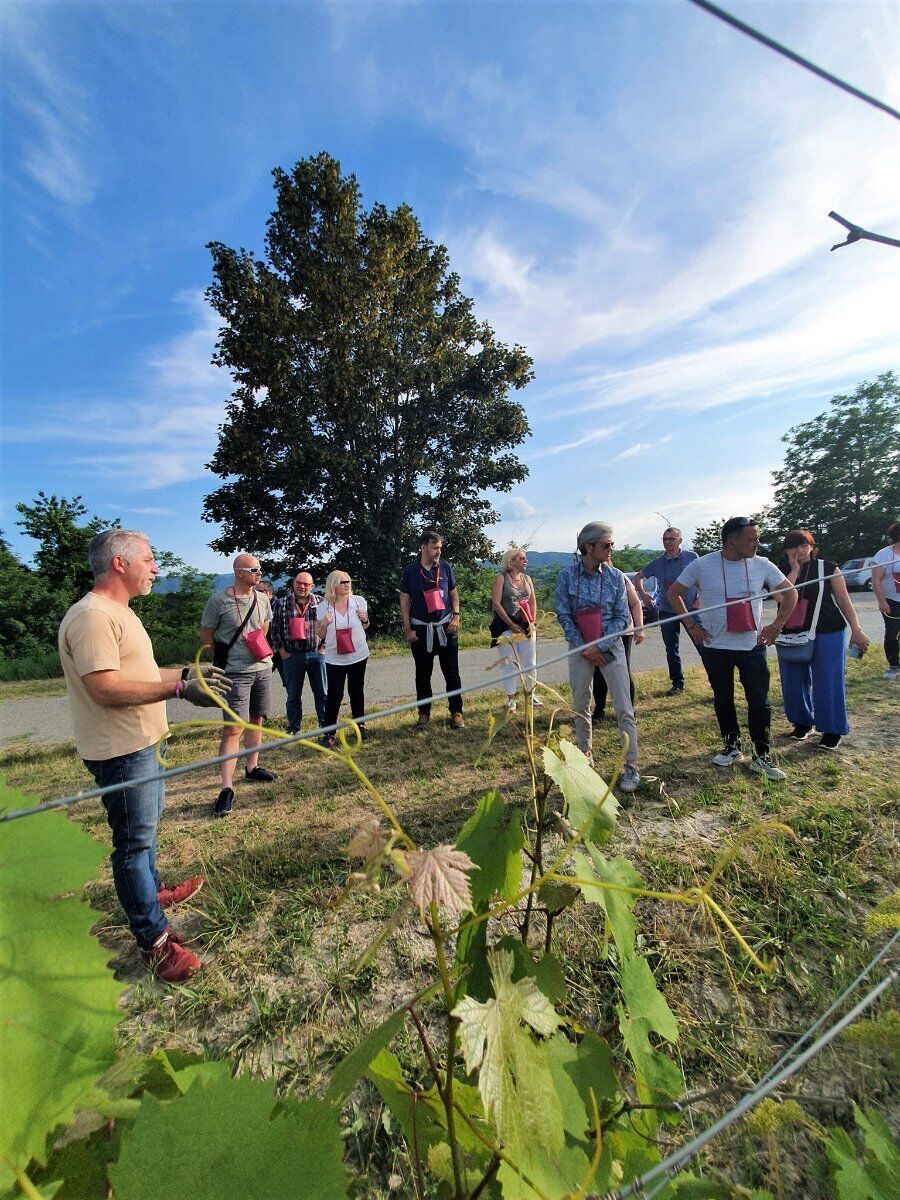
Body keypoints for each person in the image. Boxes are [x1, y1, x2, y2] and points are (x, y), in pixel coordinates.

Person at [58, 529, 231, 982]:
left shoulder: (120, 613)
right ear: (120, 563)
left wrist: (191, 673)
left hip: (141, 742)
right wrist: (179, 690)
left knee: (145, 834)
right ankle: (154, 941)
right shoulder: (93, 616)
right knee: (133, 846)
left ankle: (152, 893)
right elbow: (105, 687)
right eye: (150, 560)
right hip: (121, 750)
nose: (156, 568)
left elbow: (140, 672)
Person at [668, 517, 797, 781]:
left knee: (759, 701)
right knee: (723, 699)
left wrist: (776, 625)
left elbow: (791, 593)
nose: (756, 543)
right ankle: (732, 747)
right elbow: (674, 594)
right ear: (732, 540)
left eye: (757, 538)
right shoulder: (702, 565)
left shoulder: (763, 565)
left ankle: (761, 756)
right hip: (716, 647)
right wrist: (691, 625)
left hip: (753, 646)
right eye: (751, 539)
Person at [554, 522, 641, 794]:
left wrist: (601, 646)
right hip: (580, 649)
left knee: (624, 707)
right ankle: (584, 758)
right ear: (588, 547)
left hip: (610, 649)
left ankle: (632, 764)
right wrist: (585, 647)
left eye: (611, 544)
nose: (611, 549)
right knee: (581, 705)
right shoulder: (567, 575)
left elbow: (620, 616)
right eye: (606, 545)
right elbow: (564, 614)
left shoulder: (615, 576)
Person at [776, 530, 870, 750]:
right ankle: (802, 723)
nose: (799, 550)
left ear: (812, 546)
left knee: (828, 680)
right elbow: (780, 597)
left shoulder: (828, 568)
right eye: (793, 546)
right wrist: (795, 570)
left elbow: (844, 601)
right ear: (785, 550)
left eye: (803, 545)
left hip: (829, 630)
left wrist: (856, 629)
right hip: (792, 631)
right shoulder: (780, 571)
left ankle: (832, 728)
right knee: (793, 680)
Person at [200, 553, 277, 819]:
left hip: (262, 668)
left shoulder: (263, 599)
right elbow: (206, 634)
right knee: (233, 728)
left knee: (257, 719)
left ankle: (252, 767)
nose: (259, 573)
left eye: (260, 569)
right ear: (239, 572)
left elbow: (264, 627)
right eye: (254, 569)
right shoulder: (218, 601)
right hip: (234, 673)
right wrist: (222, 655)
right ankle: (226, 788)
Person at [399, 530, 464, 730]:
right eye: (435, 547)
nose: (438, 551)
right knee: (423, 674)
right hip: (421, 630)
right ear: (424, 547)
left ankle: (456, 712)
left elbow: (454, 595)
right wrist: (408, 629)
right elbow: (404, 601)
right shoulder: (410, 571)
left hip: (446, 627)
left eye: (440, 547)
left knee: (452, 672)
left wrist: (456, 616)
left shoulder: (445, 567)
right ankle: (424, 714)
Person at [635, 528, 701, 695]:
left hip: (690, 609)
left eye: (672, 539)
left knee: (702, 644)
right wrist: (644, 595)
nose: (668, 542)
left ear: (680, 540)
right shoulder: (657, 562)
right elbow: (638, 577)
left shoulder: (691, 557)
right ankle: (677, 684)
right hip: (667, 610)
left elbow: (703, 577)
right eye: (665, 539)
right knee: (671, 648)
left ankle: (716, 681)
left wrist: (700, 599)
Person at [316, 570, 371, 747]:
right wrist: (324, 623)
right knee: (334, 695)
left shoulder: (359, 601)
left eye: (348, 581)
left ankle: (360, 726)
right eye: (342, 582)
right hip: (335, 658)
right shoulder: (323, 606)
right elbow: (319, 634)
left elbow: (366, 626)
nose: (347, 584)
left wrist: (365, 619)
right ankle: (329, 733)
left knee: (356, 691)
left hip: (358, 654)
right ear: (333, 585)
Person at [270, 570, 327, 734]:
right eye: (299, 583)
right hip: (292, 655)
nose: (302, 587)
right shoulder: (282, 603)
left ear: (312, 586)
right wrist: (282, 652)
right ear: (293, 583)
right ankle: (294, 728)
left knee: (322, 693)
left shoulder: (320, 602)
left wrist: (323, 647)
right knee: (293, 695)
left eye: (306, 584)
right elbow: (275, 631)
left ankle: (326, 727)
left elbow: (329, 627)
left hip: (316, 653)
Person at [490, 547, 542, 713]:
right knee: (509, 663)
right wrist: (511, 625)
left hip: (525, 624)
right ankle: (511, 699)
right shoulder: (501, 578)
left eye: (525, 558)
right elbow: (496, 603)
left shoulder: (527, 579)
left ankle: (531, 694)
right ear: (511, 562)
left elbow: (533, 601)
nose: (525, 560)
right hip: (506, 626)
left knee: (530, 662)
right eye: (521, 558)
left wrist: (531, 622)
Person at [593, 572, 642, 723]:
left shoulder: (620, 576)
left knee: (623, 670)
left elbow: (635, 603)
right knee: (599, 671)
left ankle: (628, 709)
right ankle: (599, 709)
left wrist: (639, 628)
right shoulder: (589, 578)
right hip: (598, 631)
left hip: (623, 631)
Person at [872, 520, 900, 681]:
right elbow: (876, 581)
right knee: (892, 634)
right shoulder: (884, 555)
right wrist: (882, 602)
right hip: (892, 601)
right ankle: (893, 665)